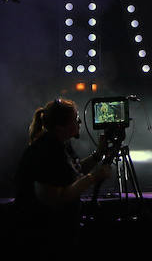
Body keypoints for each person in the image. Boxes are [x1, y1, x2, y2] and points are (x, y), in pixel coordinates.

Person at [13, 98, 114, 252]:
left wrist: (98, 155)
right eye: (76, 119)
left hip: (58, 232)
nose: (80, 122)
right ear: (61, 126)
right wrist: (94, 177)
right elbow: (56, 198)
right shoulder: (46, 150)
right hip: (44, 238)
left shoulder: (60, 144)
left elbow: (74, 171)